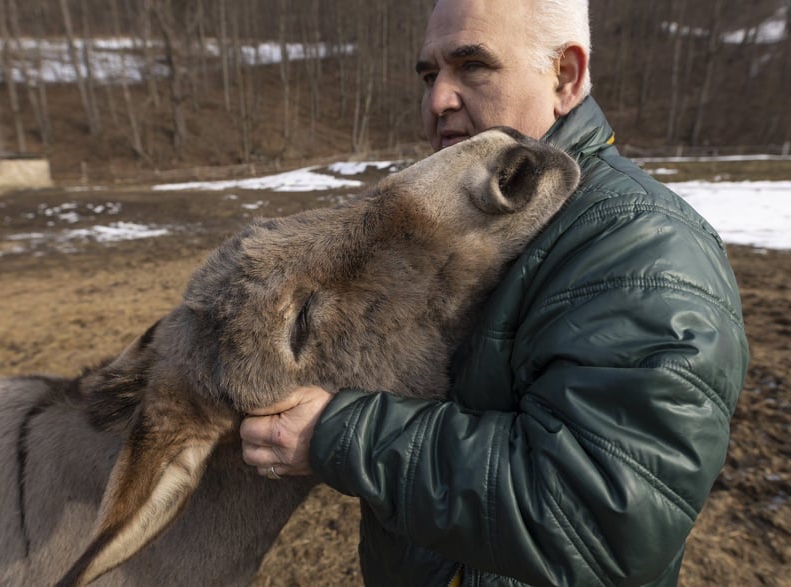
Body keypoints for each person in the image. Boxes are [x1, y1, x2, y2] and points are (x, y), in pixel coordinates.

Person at [241, 0, 749, 585]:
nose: (437, 100)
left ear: (566, 76)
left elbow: (599, 519)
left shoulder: (644, 250)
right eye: (430, 75)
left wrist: (340, 434)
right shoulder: (476, 221)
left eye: (473, 66)